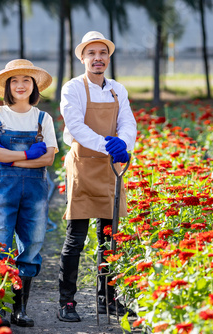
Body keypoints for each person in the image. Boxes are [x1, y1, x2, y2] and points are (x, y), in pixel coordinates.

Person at [57, 31, 137, 322]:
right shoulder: (73, 89)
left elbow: (128, 122)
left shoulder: (117, 89)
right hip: (83, 165)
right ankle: (67, 302)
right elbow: (75, 126)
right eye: (91, 53)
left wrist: (124, 144)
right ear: (82, 58)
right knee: (76, 239)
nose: (97, 58)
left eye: (102, 53)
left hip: (111, 168)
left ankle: (108, 300)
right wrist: (108, 144)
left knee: (110, 238)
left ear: (108, 57)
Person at [0, 59, 58, 327]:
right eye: (14, 80)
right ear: (7, 86)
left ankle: (19, 309)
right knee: (0, 243)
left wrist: (11, 159)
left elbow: (48, 158)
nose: (21, 85)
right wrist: (26, 154)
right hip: (2, 187)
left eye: (26, 80)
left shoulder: (42, 118)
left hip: (34, 189)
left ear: (34, 85)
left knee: (33, 245)